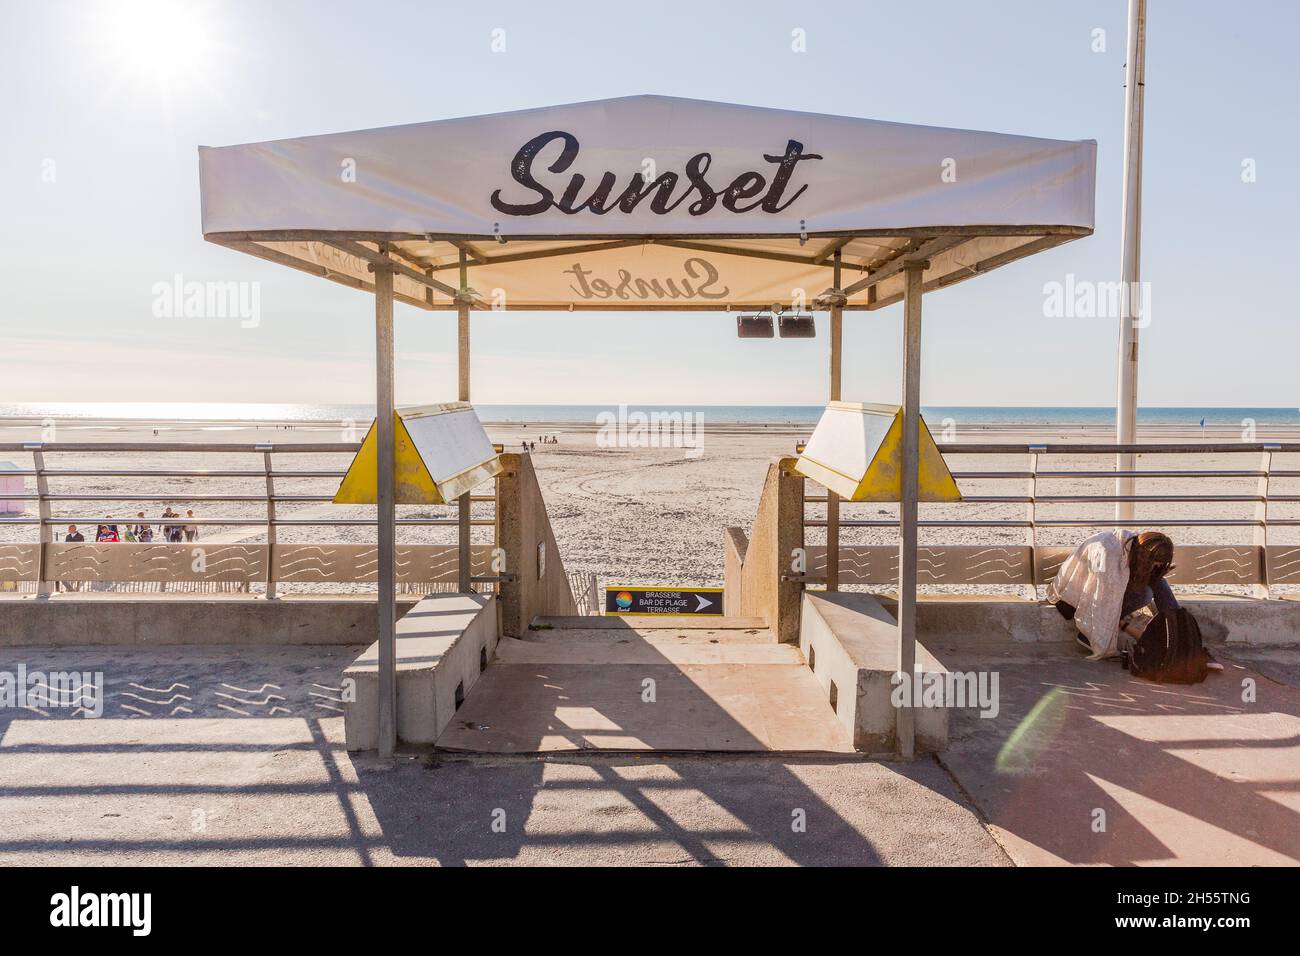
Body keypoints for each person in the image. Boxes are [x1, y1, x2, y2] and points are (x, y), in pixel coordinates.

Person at [1048, 530, 1222, 671]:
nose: (1155, 566)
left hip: (1103, 591)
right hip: (1075, 600)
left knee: (1157, 580)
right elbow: (1101, 603)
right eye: (1154, 563)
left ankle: (1183, 641)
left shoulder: (1137, 546)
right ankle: (1183, 646)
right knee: (1145, 593)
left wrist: (1154, 573)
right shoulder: (1109, 556)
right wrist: (1122, 628)